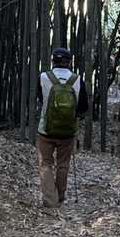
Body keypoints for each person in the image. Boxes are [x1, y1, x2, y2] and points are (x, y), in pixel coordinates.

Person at [36, 45, 89, 210]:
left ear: (53, 61)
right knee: (63, 164)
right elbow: (83, 107)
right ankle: (60, 197)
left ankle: (50, 200)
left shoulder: (43, 77)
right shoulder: (77, 79)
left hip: (46, 130)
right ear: (69, 62)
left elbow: (40, 99)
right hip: (67, 132)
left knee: (45, 164)